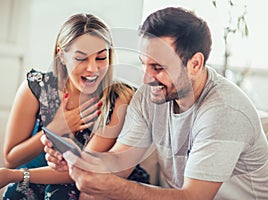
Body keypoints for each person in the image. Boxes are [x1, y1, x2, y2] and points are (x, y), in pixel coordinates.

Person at [42, 6, 268, 200]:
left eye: (158, 68)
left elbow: (194, 197)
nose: (146, 79)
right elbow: (120, 159)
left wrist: (114, 187)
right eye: (144, 64)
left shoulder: (224, 111)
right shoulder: (151, 95)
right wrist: (80, 162)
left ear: (195, 64)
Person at [0, 13, 149, 199]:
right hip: (44, 175)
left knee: (59, 193)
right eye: (81, 58)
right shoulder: (37, 88)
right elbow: (11, 158)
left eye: (101, 58)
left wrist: (20, 175)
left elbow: (85, 169)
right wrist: (57, 127)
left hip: (89, 176)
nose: (93, 69)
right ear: (62, 56)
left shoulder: (119, 98)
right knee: (16, 192)